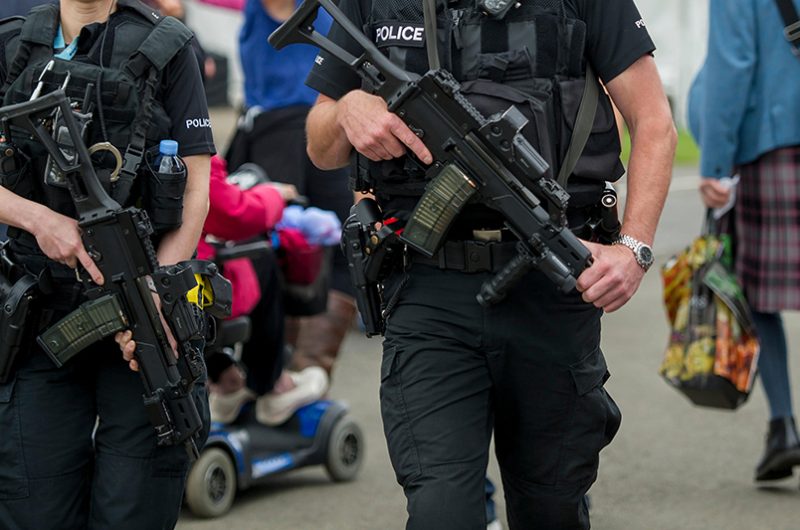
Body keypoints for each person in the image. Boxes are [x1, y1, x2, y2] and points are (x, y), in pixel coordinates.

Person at [304, 0, 676, 527]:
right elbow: (321, 145)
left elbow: (654, 121)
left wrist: (634, 249)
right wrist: (346, 109)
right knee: (440, 512)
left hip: (551, 285)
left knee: (552, 509)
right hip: (428, 287)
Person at [0, 0, 214, 528]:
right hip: (39, 314)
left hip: (138, 312)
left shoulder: (169, 45)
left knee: (134, 505)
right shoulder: (12, 42)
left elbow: (196, 192)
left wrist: (156, 298)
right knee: (35, 506)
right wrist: (40, 221)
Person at [688, 0, 800, 483]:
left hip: (772, 148)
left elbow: (731, 68)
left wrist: (714, 165)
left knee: (755, 293)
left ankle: (784, 426)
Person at [227, 0, 357, 378]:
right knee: (289, 247)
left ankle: (296, 373)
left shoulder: (313, 8)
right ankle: (288, 371)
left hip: (303, 132)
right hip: (290, 132)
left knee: (301, 247)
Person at [198, 156, 329, 425]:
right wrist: (274, 196)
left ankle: (225, 377)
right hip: (189, 286)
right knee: (260, 257)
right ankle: (272, 385)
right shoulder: (179, 126)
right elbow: (226, 211)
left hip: (133, 279)